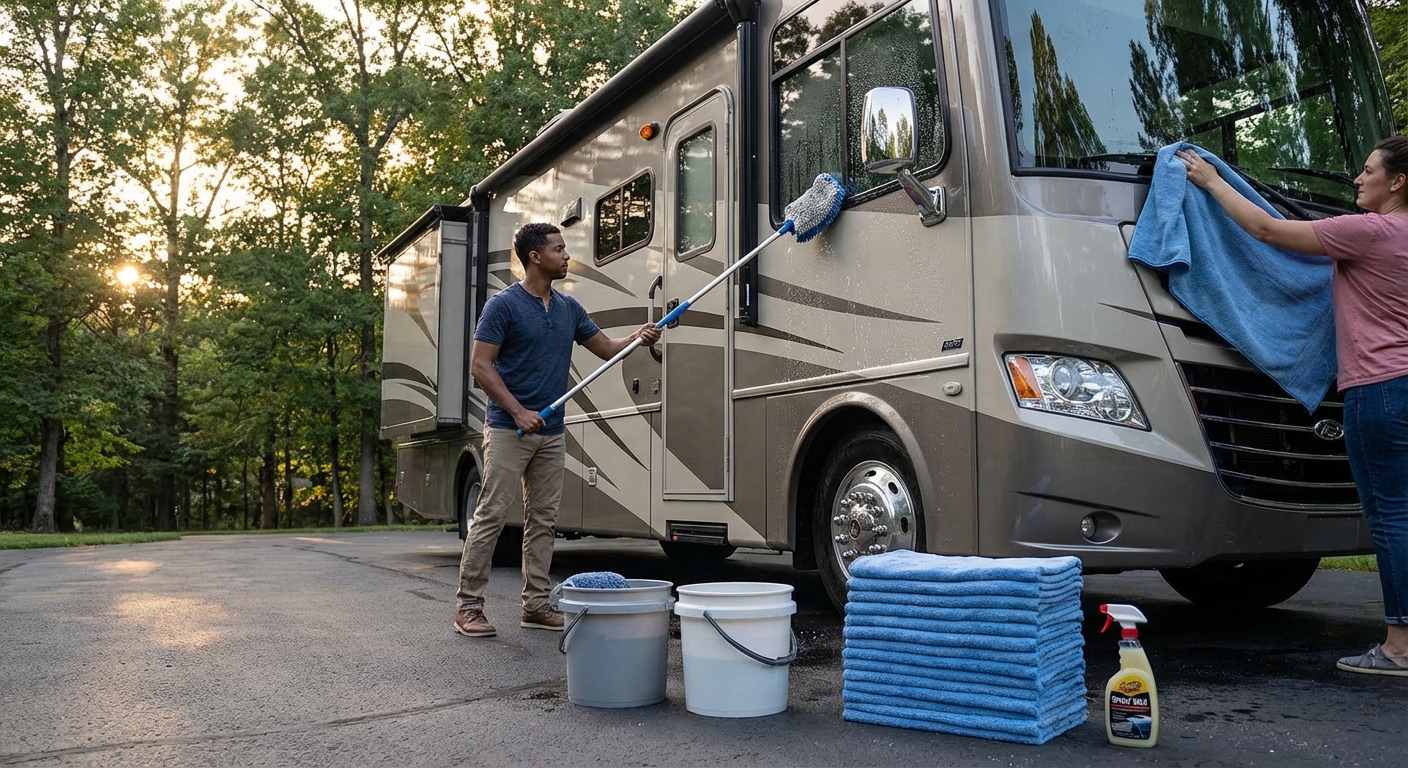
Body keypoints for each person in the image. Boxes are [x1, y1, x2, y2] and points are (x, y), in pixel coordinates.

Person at [1176, 137, 1408, 677]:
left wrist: (1210, 180)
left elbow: (1266, 231)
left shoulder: (1369, 232)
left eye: (1368, 170)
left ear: (1397, 182)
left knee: (1391, 518)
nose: (1357, 178)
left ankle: (1399, 647)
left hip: (1379, 390)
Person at [453, 222, 662, 638]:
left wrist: (638, 337)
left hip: (551, 431)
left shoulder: (568, 309)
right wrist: (516, 411)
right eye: (559, 249)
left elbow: (604, 348)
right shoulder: (504, 307)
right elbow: (480, 366)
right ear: (535, 257)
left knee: (544, 520)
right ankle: (468, 606)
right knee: (492, 516)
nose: (566, 256)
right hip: (508, 429)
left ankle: (535, 605)